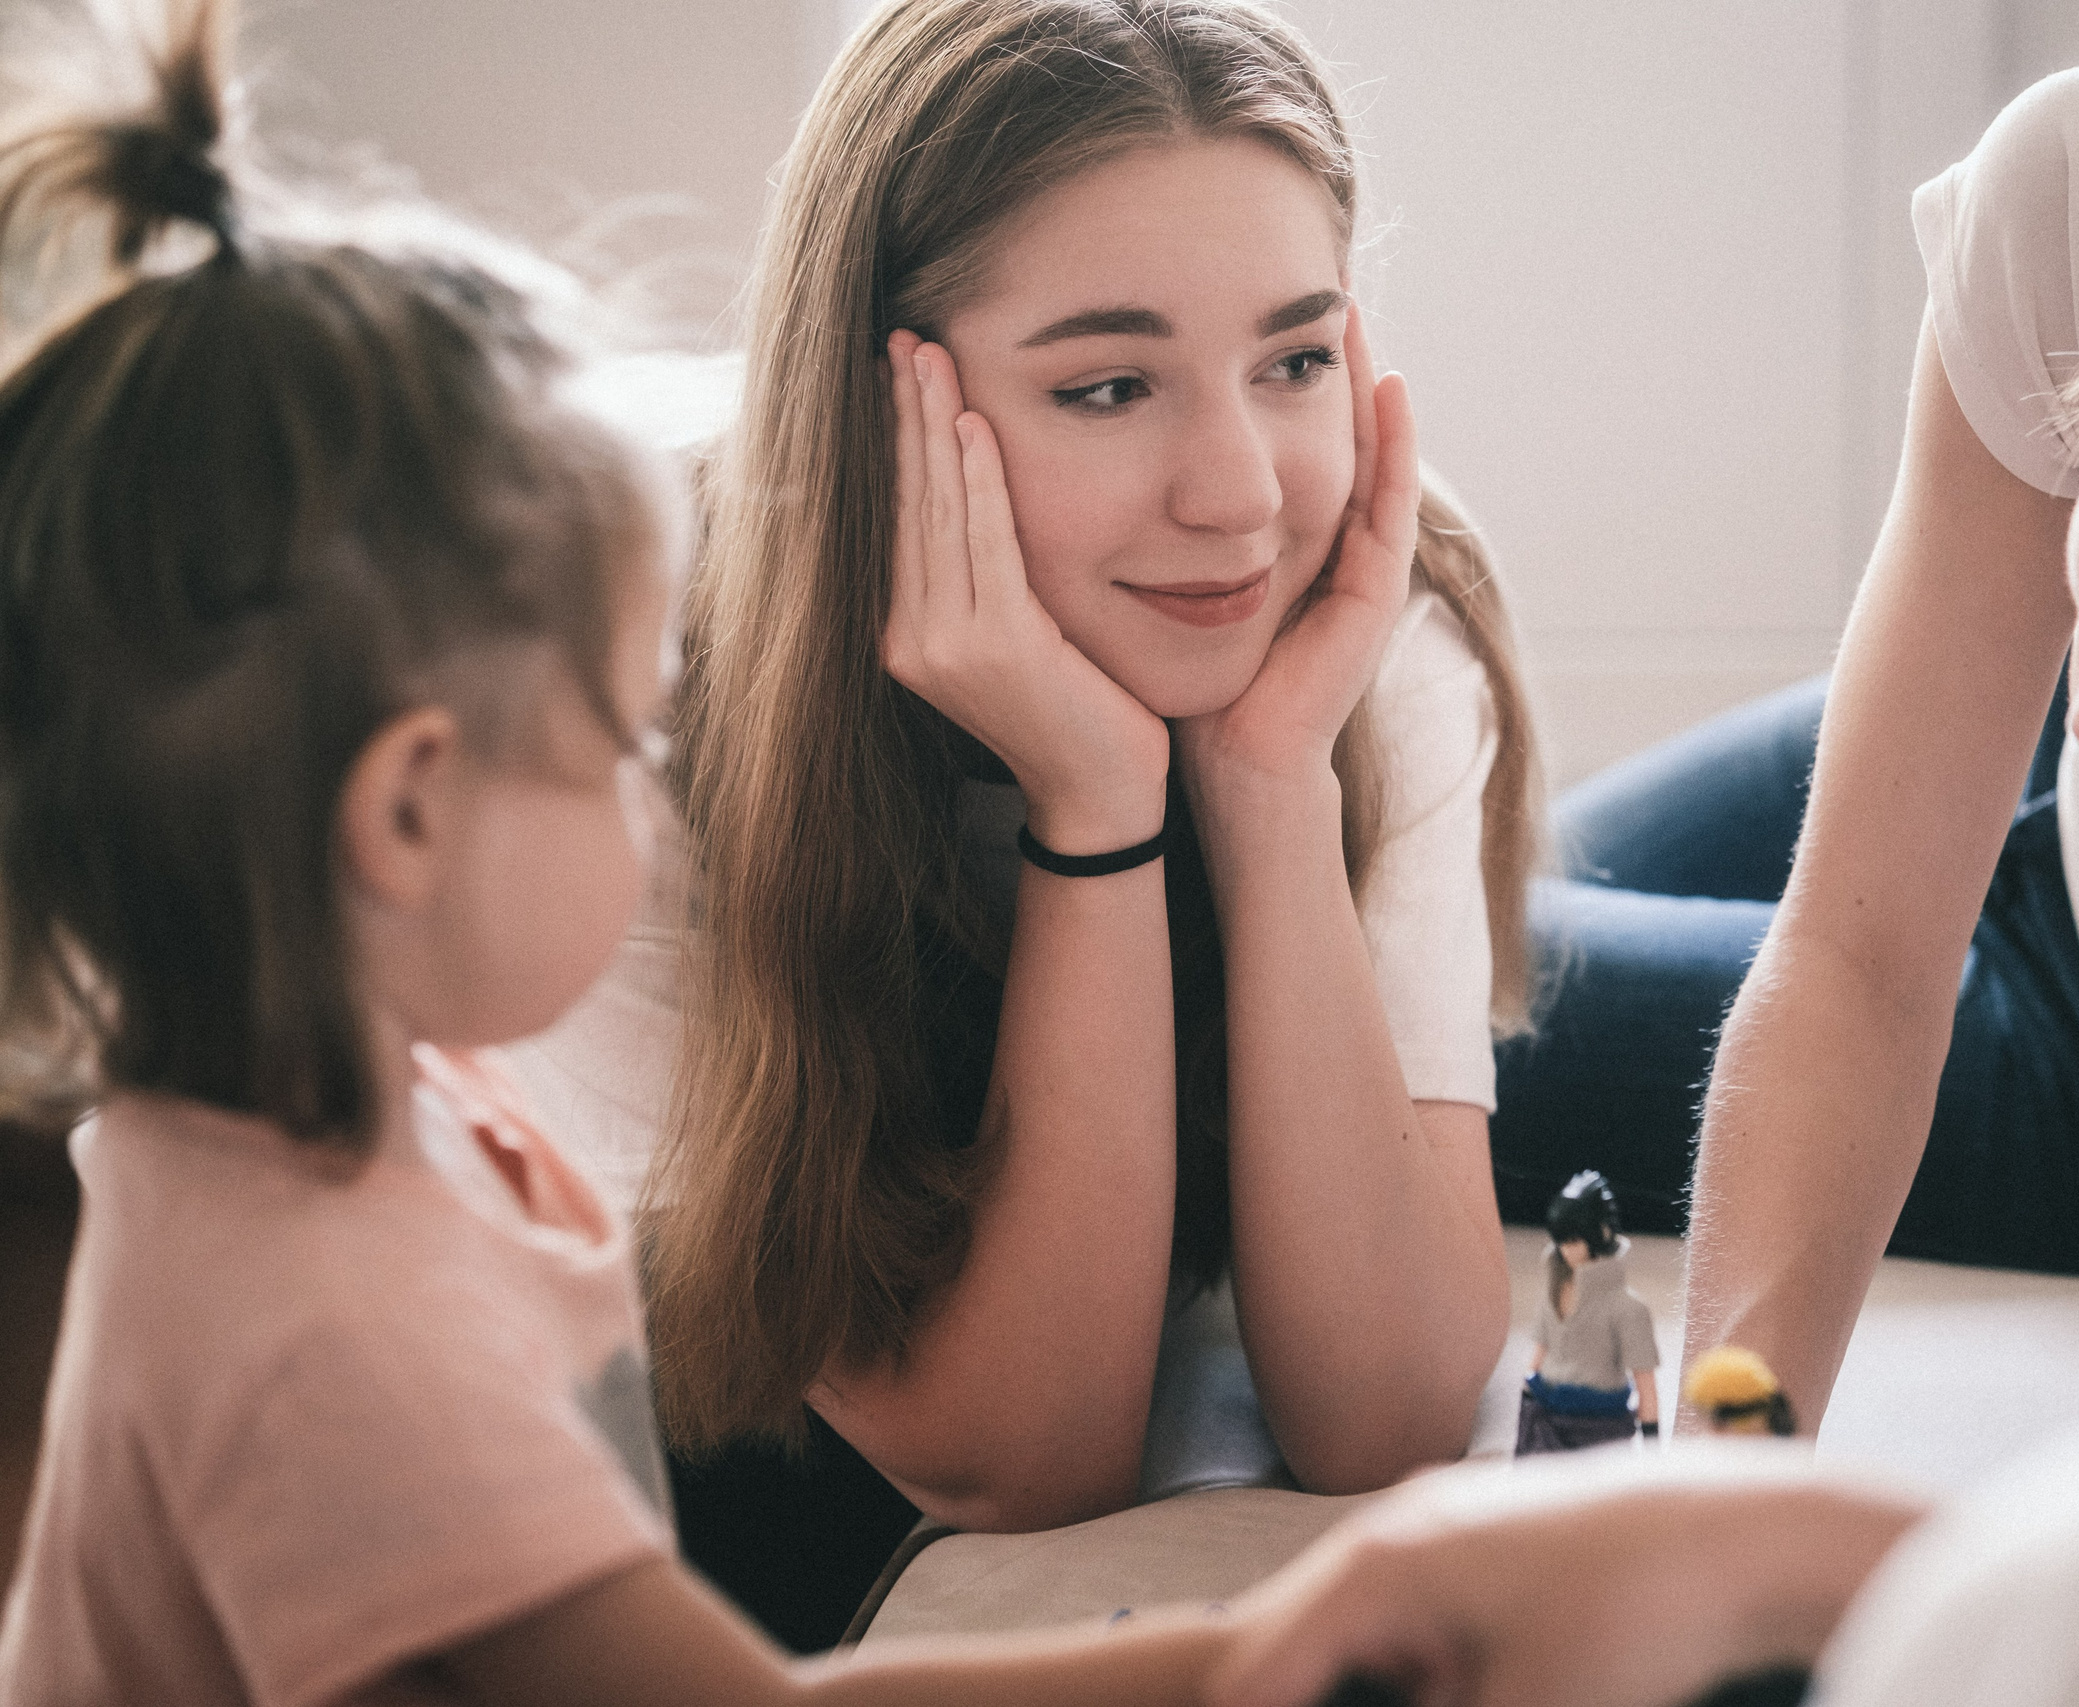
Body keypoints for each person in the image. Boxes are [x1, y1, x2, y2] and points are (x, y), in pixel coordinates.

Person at [1199, 4, 2079, 1702]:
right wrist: (1722, 1476)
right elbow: (1857, 948)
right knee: (1426, 952)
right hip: (2038, 815)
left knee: (1328, 1034)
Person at [0, 8, 1226, 1699]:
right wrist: (1286, 1647)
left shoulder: (356, 1128)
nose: (658, 806)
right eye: (623, 744)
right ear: (411, 811)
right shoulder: (323, 1326)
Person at [500, 0, 1542, 1649]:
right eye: (1113, 386)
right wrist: (1099, 808)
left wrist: (1268, 794)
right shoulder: (607, 684)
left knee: (1688, 972)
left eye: (1294, 360)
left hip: (1278, 858)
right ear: (875, 403)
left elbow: (1390, 1411)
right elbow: (1020, 1458)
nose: (1241, 495)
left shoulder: (1355, 621)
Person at [1492, 54, 2079, 1432]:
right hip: (2025, 721)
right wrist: (1728, 1465)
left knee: (1364, 1021)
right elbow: (1856, 959)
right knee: (1409, 907)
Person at [1516, 1172, 1661, 1455]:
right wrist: (1526, 1393)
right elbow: (1541, 1348)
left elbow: (1646, 1383)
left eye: (1573, 1240)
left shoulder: (1629, 1309)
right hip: (1545, 1413)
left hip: (1599, 1426)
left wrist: (1652, 1442)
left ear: (1599, 1235)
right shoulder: (1553, 1288)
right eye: (1561, 1241)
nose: (1566, 1250)